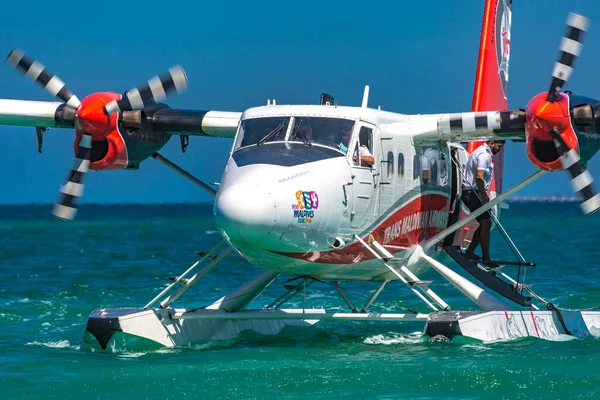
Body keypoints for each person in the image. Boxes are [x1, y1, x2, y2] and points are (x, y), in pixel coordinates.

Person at [461, 140, 505, 264]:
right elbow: (479, 176)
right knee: (486, 223)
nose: (499, 150)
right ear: (491, 143)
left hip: (473, 192)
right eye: (498, 146)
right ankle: (486, 258)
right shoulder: (484, 155)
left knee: (485, 223)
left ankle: (470, 253)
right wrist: (483, 196)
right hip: (472, 192)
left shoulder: (480, 151)